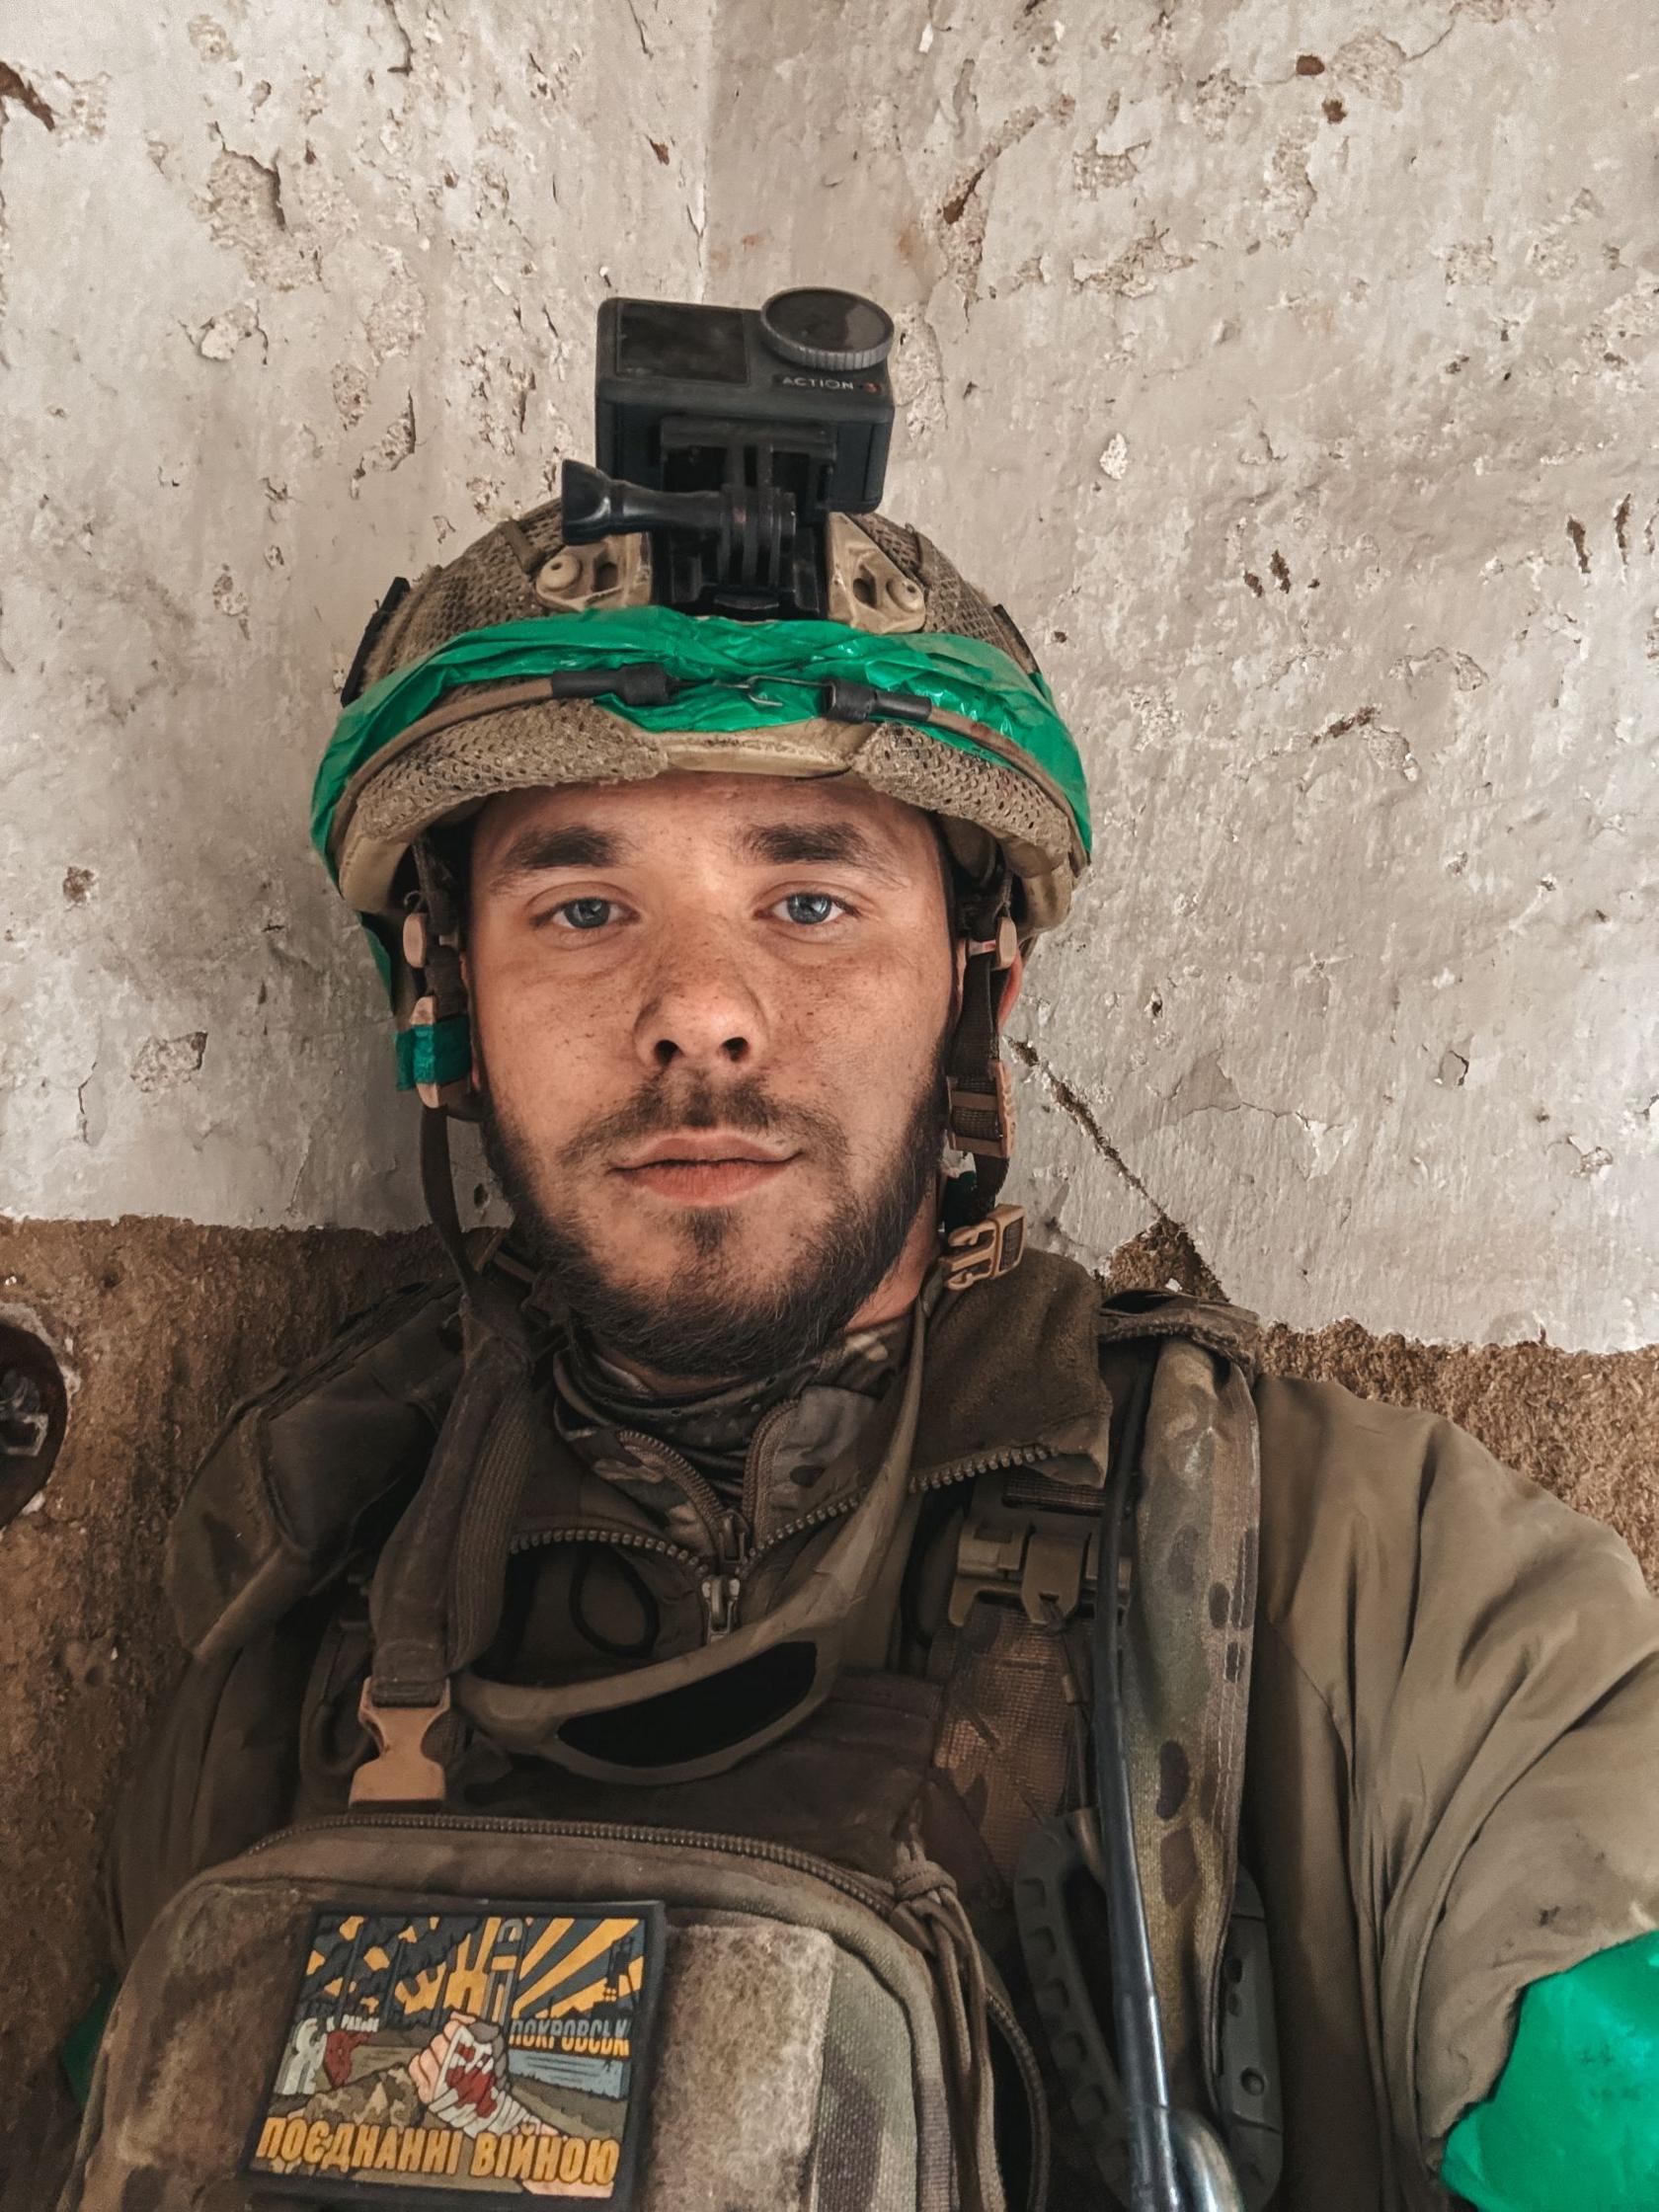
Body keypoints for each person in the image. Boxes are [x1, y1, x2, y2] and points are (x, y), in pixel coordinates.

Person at [33, 442, 1659, 2212]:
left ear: (979, 988)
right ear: (449, 1005)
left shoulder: (1359, 1575)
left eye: (810, 901)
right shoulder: (308, 1547)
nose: (701, 1013)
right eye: (583, 909)